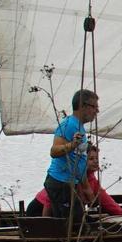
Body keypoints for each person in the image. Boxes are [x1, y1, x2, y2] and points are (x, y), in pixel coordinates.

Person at [44, 88, 98, 218]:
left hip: (70, 184)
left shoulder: (80, 127)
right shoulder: (69, 125)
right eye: (94, 107)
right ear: (83, 106)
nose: (97, 111)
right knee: (72, 225)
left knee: (77, 223)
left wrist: (86, 188)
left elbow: (79, 160)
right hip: (60, 183)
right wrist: (72, 145)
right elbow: (54, 151)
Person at [31, 145, 122, 216]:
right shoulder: (70, 178)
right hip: (39, 209)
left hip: (60, 211)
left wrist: (121, 212)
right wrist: (45, 223)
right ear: (81, 161)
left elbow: (104, 198)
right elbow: (49, 199)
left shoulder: (92, 180)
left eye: (97, 158)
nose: (96, 161)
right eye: (91, 159)